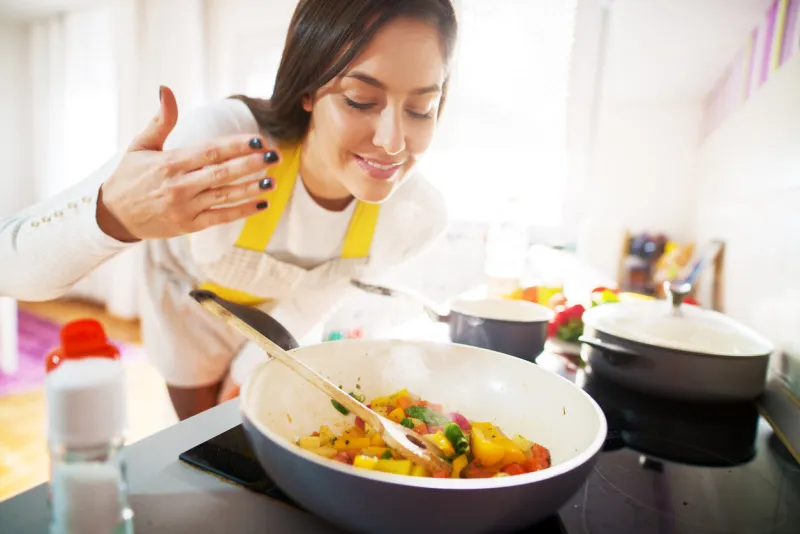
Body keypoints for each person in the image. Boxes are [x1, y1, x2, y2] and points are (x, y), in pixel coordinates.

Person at [6, 0, 457, 421]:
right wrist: (112, 214)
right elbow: (10, 265)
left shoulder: (415, 216)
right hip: (187, 304)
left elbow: (313, 298)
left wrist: (246, 372)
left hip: (280, 317)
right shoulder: (223, 144)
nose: (392, 142)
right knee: (203, 433)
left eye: (421, 109)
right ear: (307, 88)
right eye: (359, 99)